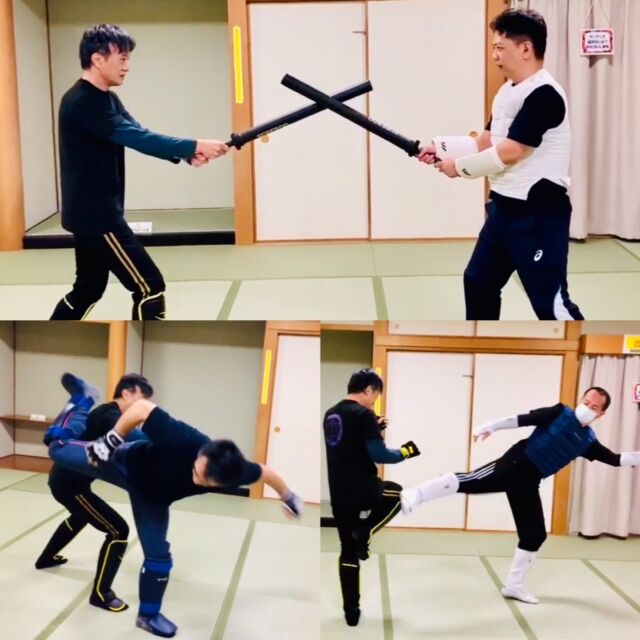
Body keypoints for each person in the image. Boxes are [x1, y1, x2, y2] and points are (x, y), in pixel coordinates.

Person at [45, 374, 303, 638]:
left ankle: (148, 616)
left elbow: (265, 472)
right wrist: (110, 441)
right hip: (125, 463)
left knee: (159, 556)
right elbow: (140, 408)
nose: (196, 478)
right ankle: (83, 398)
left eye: (204, 480)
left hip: (154, 498)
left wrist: (289, 497)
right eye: (197, 469)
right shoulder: (187, 439)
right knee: (56, 448)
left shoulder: (237, 471)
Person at [50, 24, 229, 321]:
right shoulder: (83, 102)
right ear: (98, 59)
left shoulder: (105, 98)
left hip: (89, 213)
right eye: (122, 58)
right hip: (98, 217)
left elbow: (139, 132)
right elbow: (138, 139)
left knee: (88, 289)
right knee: (150, 287)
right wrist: (195, 145)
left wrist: (187, 154)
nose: (127, 67)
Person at [400, 387, 640, 604]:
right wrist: (491, 426)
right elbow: (525, 419)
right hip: (514, 464)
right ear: (580, 400)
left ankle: (513, 585)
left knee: (535, 535)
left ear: (601, 414)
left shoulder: (588, 442)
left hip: (529, 481)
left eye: (594, 407)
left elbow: (615, 459)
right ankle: (416, 493)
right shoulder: (560, 412)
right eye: (586, 402)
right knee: (469, 481)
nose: (587, 408)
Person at [418, 9, 583, 321]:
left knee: (550, 305)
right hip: (503, 211)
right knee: (478, 283)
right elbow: (487, 141)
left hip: (537, 215)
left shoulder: (545, 94)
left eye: (499, 48)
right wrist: (438, 147)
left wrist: (459, 168)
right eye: (493, 47)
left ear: (525, 48)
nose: (494, 55)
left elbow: (512, 151)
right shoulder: (507, 91)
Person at [36, 373, 153, 614]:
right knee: (118, 530)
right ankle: (101, 594)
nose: (145, 406)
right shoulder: (109, 416)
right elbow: (138, 440)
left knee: (81, 516)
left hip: (67, 481)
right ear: (126, 393)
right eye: (142, 399)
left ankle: (46, 558)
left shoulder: (109, 413)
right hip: (71, 485)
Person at [324, 368, 420, 626]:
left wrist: (375, 428)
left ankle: (351, 612)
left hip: (339, 493)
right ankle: (365, 531)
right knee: (398, 494)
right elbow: (380, 455)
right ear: (368, 390)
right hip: (363, 488)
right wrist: (406, 452)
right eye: (376, 395)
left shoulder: (331, 413)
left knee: (347, 551)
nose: (374, 402)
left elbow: (349, 445)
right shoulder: (364, 414)